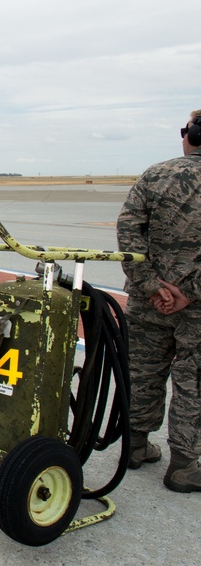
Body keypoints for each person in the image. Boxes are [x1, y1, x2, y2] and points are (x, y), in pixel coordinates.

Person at [116, 109, 201, 493]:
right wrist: (190, 292)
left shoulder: (155, 174)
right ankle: (184, 465)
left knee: (142, 372)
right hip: (196, 309)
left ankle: (134, 448)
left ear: (189, 136)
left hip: (148, 302)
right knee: (193, 381)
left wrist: (153, 286)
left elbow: (128, 231)